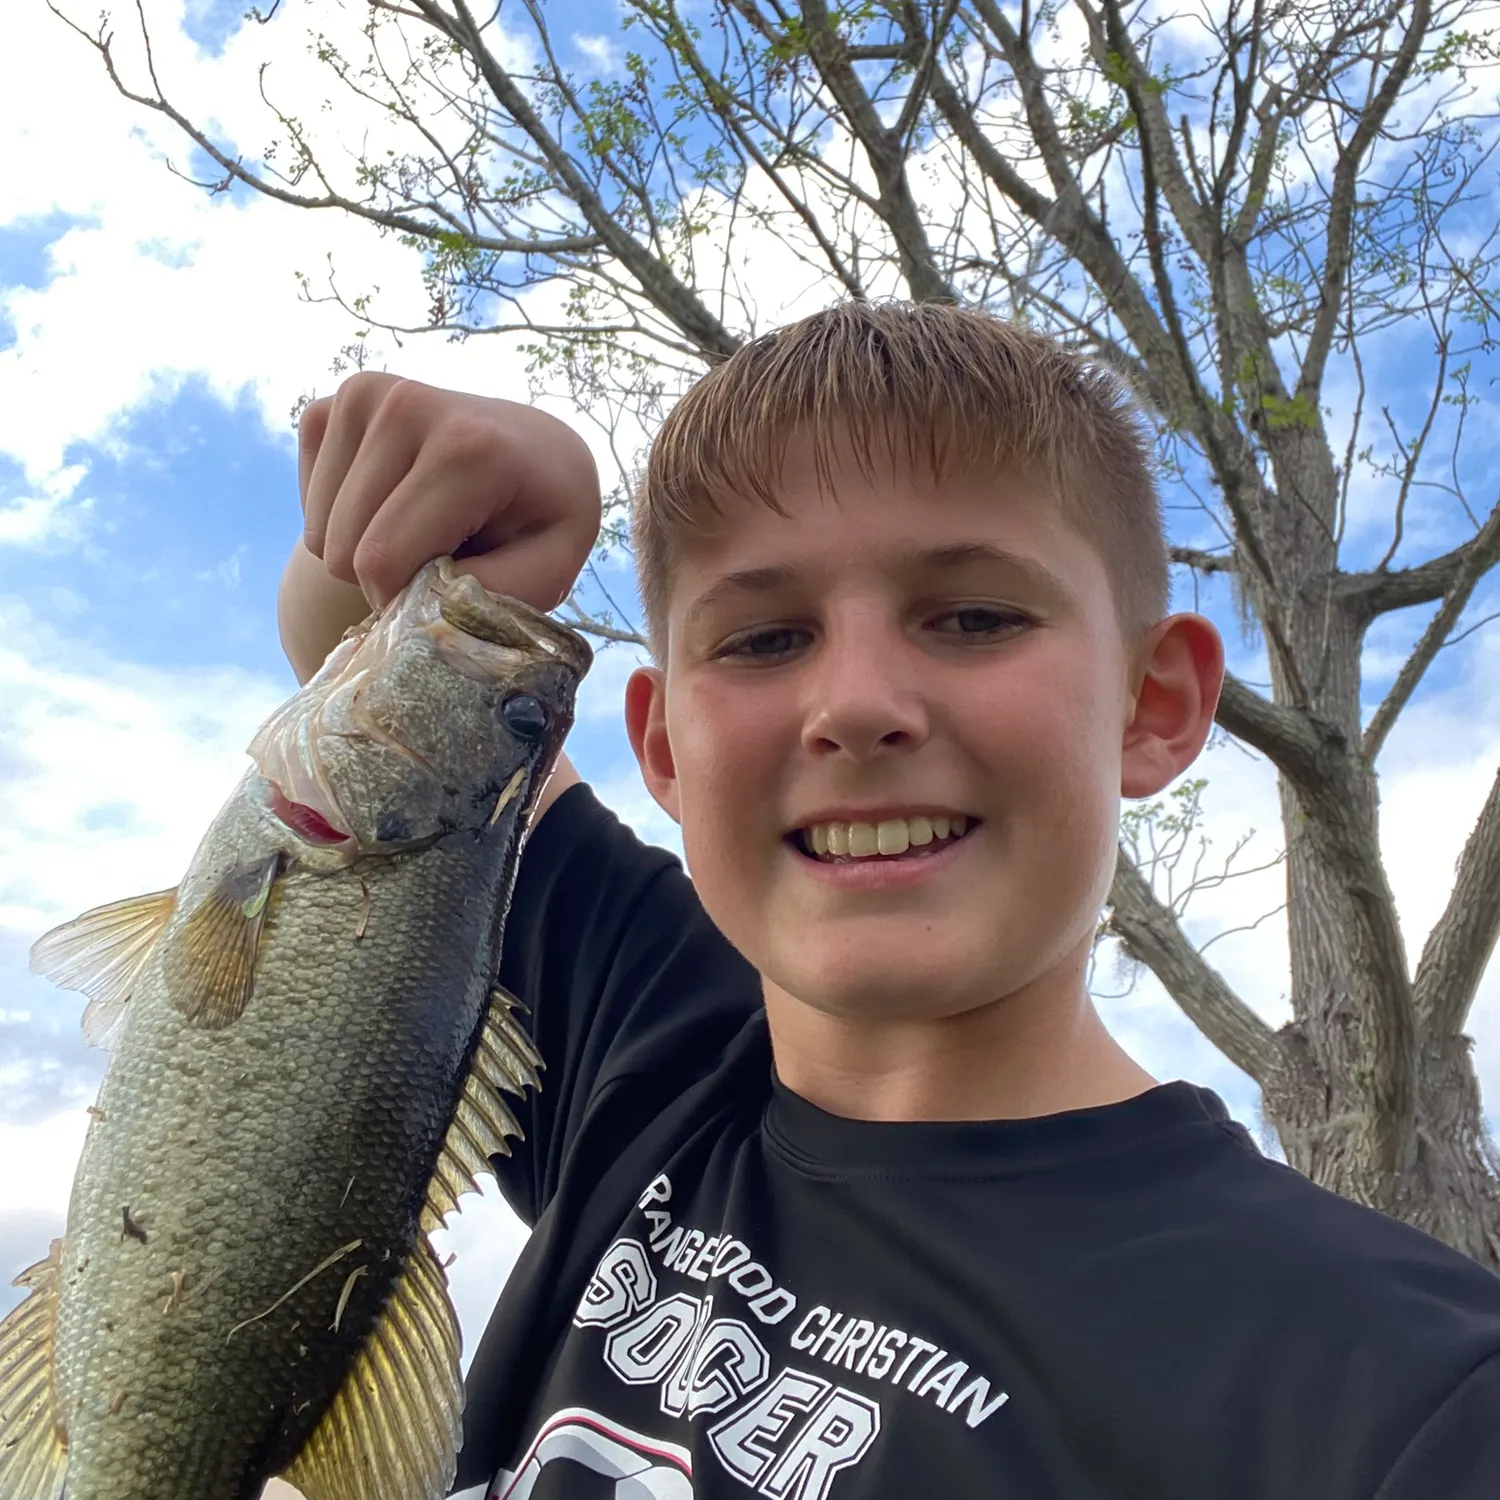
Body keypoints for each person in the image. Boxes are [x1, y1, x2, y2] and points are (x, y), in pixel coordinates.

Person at [278, 302, 1500, 1499]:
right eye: (763, 640)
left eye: (974, 617)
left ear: (1152, 705)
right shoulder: (649, 1048)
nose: (857, 705)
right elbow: (357, 669)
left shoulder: (1406, 1398)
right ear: (665, 749)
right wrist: (470, 520)